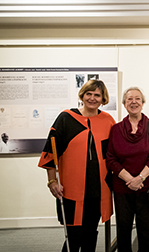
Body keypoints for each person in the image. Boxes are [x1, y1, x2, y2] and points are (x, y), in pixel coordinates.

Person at [38, 79, 116, 252]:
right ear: (82, 95)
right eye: (89, 94)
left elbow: (116, 152)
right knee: (74, 235)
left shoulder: (108, 121)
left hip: (98, 189)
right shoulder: (66, 118)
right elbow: (50, 152)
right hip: (71, 190)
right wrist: (52, 182)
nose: (92, 98)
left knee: (90, 233)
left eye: (97, 95)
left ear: (103, 98)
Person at [106, 87, 149, 252]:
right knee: (123, 231)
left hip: (146, 187)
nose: (133, 102)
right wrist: (129, 179)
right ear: (124, 104)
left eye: (137, 99)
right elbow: (110, 158)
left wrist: (140, 178)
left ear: (143, 103)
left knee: (146, 231)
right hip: (122, 188)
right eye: (129, 99)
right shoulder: (116, 129)